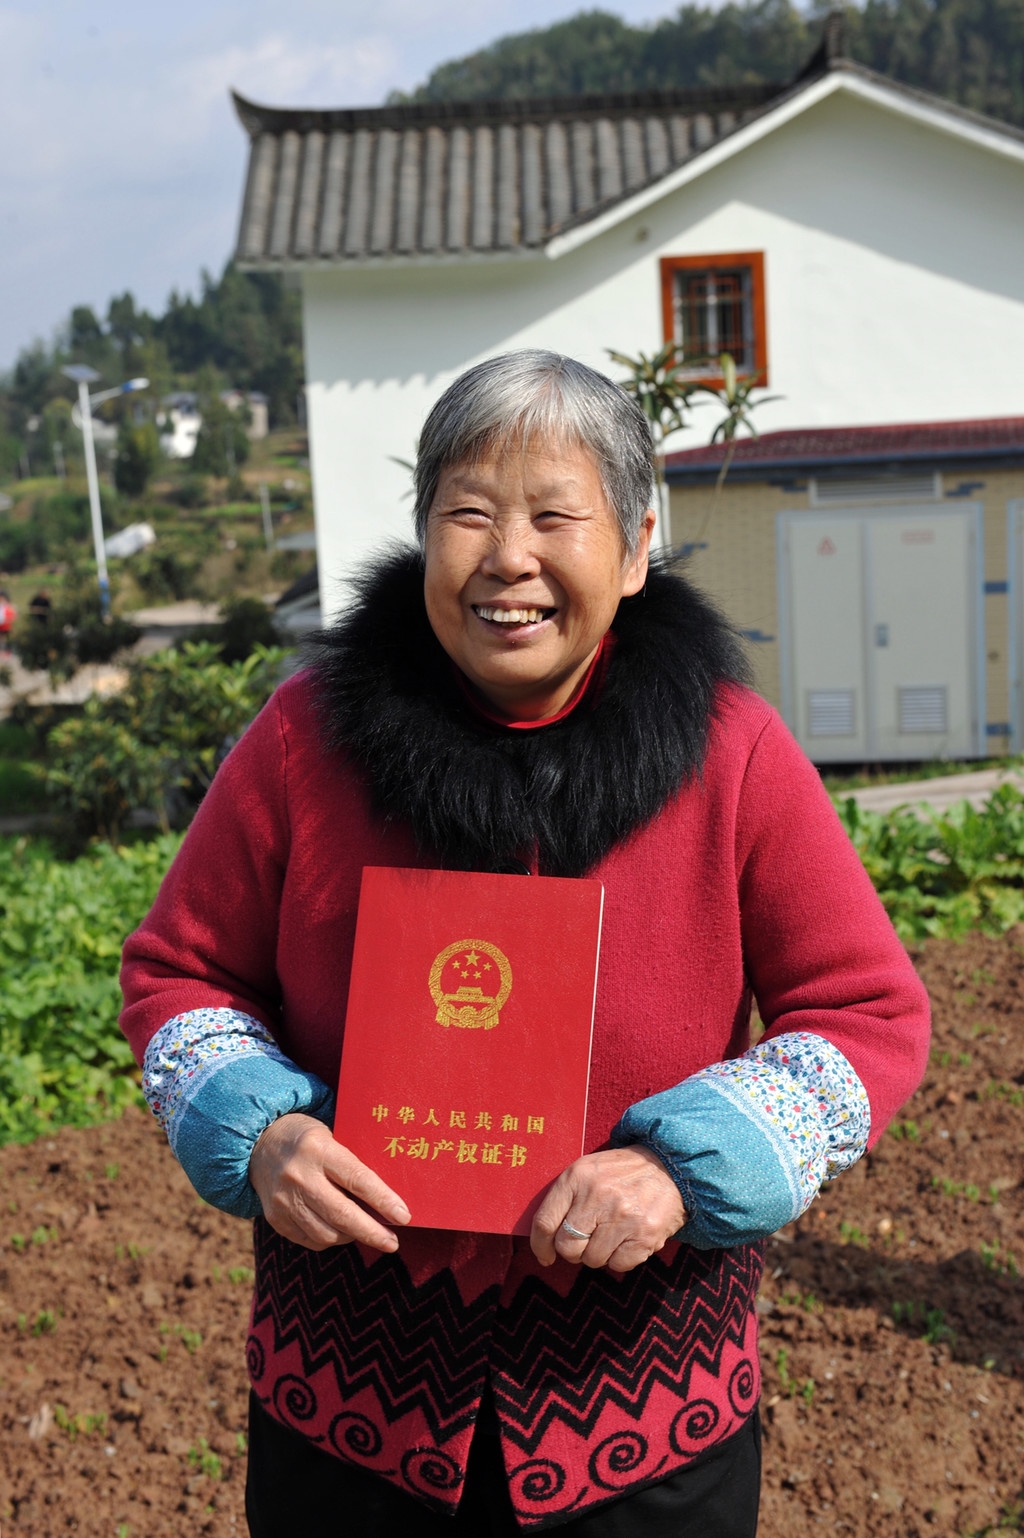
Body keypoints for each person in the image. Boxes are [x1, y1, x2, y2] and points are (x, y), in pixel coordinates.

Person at [120, 351, 930, 1538]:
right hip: (349, 1410)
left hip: (645, 1418)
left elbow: (865, 1012)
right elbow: (181, 970)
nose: (509, 557)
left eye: (555, 516)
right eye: (469, 513)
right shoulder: (303, 740)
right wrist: (258, 1129)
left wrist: (684, 1170)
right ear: (423, 534)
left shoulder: (734, 753)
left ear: (635, 547)